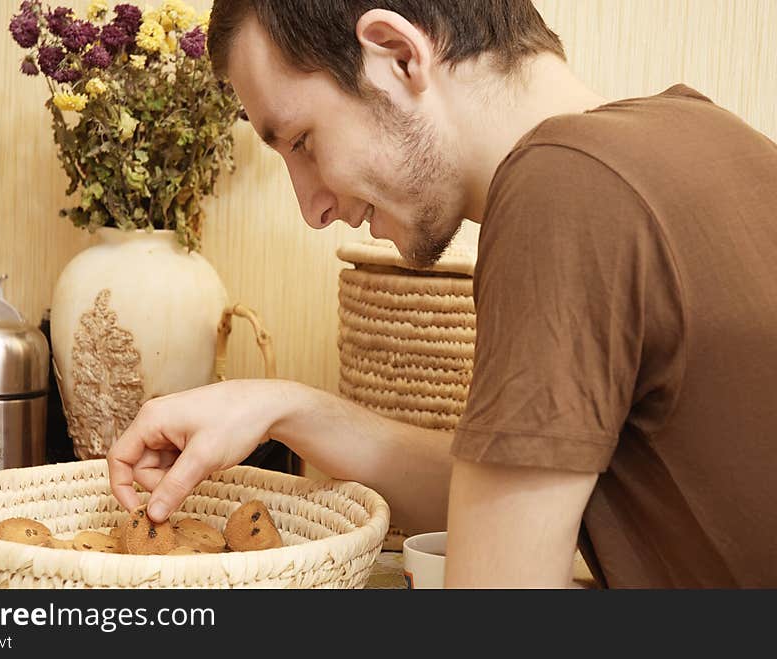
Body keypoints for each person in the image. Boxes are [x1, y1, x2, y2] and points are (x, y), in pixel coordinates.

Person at [107, 0, 777, 588]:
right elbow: (504, 502)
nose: (310, 206)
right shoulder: (708, 138)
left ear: (398, 55)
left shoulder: (563, 194)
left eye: (304, 141)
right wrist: (278, 405)